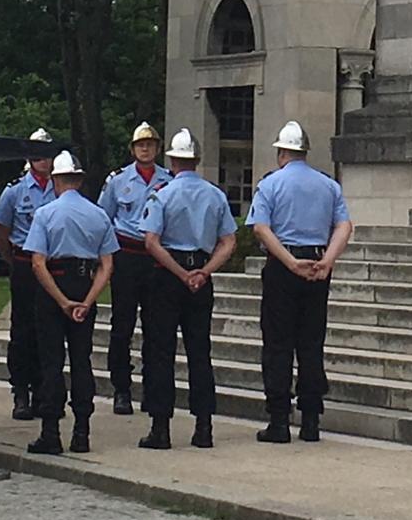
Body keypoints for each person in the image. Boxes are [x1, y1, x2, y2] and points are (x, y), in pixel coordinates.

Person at [246, 120, 352, 444]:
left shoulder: (271, 185)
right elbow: (344, 226)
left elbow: (261, 228)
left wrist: (289, 261)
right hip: (318, 266)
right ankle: (310, 419)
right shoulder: (329, 185)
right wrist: (327, 261)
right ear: (304, 152)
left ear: (281, 153)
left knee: (278, 344)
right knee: (311, 343)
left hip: (284, 265)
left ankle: (279, 421)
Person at [138, 128, 239, 450]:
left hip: (169, 275)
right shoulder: (215, 194)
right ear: (196, 160)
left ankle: (161, 427)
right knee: (199, 352)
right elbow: (228, 242)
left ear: (171, 159)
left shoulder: (162, 194)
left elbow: (151, 241)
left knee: (161, 352)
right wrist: (203, 272)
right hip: (200, 274)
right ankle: (203, 426)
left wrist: (180, 273)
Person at [24, 150, 117, 456]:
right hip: (84, 282)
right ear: (78, 180)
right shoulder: (98, 214)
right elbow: (107, 265)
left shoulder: (46, 213)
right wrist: (88, 300)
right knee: (81, 360)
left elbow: (38, 263)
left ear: (56, 180)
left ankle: (51, 431)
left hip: (55, 284)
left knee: (51, 361)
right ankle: (82, 431)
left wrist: (62, 300)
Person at [97, 121, 172, 416]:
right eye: (141, 145)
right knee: (122, 326)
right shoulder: (117, 181)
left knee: (156, 327)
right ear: (132, 149)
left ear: (158, 148)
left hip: (156, 257)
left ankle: (153, 387)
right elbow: (104, 219)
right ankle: (121, 388)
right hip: (126, 255)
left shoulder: (168, 179)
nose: (145, 149)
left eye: (151, 145)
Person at [0, 133, 60, 421]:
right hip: (24, 262)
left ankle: (47, 391)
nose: (42, 161)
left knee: (50, 330)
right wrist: (14, 260)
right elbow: (1, 233)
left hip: (55, 265)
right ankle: (21, 392)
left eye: (46, 155)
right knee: (22, 332)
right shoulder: (15, 191)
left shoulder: (61, 188)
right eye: (37, 155)